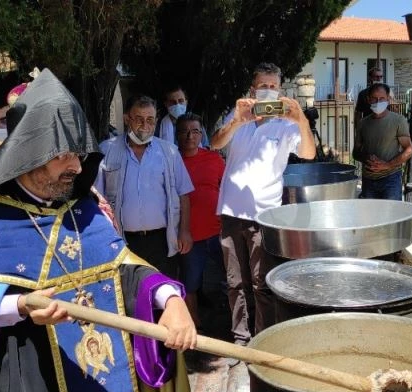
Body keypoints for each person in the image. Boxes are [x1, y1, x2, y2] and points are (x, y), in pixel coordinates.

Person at [0, 69, 199, 392]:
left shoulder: (84, 208)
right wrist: (18, 306)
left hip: (110, 385)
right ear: (28, 154)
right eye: (62, 155)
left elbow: (125, 270)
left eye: (77, 153)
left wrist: (169, 299)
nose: (75, 166)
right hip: (37, 390)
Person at [211, 62, 316, 352]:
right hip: (231, 212)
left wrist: (301, 120)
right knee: (235, 282)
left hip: (264, 216)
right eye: (263, 86)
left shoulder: (286, 126)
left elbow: (308, 153)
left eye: (273, 86)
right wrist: (237, 121)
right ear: (253, 90)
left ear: (279, 91)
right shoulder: (239, 116)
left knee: (262, 284)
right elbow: (216, 143)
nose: (268, 91)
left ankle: (263, 342)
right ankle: (240, 339)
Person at [96, 95, 194, 279]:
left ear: (156, 120)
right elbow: (97, 200)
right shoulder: (107, 150)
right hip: (123, 240)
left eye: (150, 120)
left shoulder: (169, 152)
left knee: (164, 289)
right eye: (139, 119)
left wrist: (184, 231)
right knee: (129, 291)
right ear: (127, 119)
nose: (145, 125)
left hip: (162, 241)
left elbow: (184, 195)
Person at [176, 112, 227, 327]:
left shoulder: (214, 159)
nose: (190, 136)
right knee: (190, 284)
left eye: (195, 131)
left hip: (219, 232)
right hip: (189, 236)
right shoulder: (171, 160)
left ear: (201, 134)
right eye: (184, 131)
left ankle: (233, 322)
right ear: (177, 134)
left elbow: (227, 187)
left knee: (232, 278)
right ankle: (194, 329)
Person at [352, 83, 412, 201]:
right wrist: (366, 158)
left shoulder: (398, 120)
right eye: (374, 98)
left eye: (382, 98)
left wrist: (387, 165)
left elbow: (409, 149)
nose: (378, 102)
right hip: (368, 180)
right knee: (370, 213)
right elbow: (355, 153)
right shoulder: (363, 123)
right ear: (368, 99)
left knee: (391, 212)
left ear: (388, 99)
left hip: (391, 179)